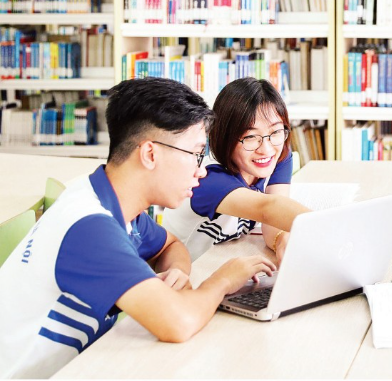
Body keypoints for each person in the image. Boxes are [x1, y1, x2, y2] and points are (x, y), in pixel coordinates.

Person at [0, 78, 276, 379]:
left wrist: (179, 274)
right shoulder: (90, 228)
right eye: (195, 154)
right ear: (150, 154)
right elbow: (178, 324)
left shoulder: (105, 197)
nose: (200, 170)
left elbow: (171, 245)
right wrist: (223, 280)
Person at [162, 77, 310, 263]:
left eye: (275, 131)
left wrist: (280, 239)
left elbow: (273, 219)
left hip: (224, 266)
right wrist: (332, 229)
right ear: (226, 136)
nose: (266, 148)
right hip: (189, 277)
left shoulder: (276, 154)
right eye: (250, 137)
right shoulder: (207, 178)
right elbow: (268, 208)